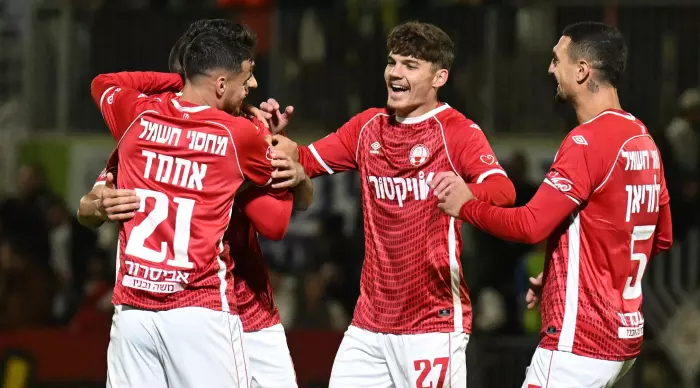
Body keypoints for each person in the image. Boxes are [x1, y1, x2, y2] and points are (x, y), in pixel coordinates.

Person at [268, 21, 516, 387]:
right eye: (392, 63)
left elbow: (503, 190)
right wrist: (278, 138)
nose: (396, 73)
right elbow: (305, 161)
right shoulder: (367, 127)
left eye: (410, 66)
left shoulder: (457, 132)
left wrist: (469, 195)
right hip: (369, 323)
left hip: (432, 322)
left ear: (439, 77)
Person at [431, 22, 673, 387]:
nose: (550, 69)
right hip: (623, 340)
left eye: (557, 60)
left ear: (581, 71)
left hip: (580, 343)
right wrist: (571, 272)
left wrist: (467, 205)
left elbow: (530, 225)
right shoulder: (643, 140)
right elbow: (661, 236)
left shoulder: (587, 141)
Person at [80, 20, 309, 388]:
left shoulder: (136, 118)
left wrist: (185, 83)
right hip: (200, 309)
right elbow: (277, 222)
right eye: (246, 76)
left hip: (133, 308)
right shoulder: (239, 135)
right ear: (219, 82)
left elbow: (102, 83)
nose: (252, 86)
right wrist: (269, 138)